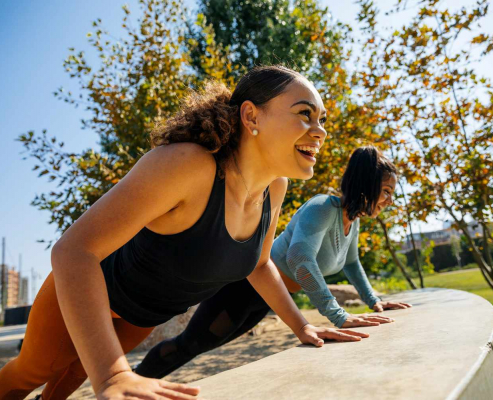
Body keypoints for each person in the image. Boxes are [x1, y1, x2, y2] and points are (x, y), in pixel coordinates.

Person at [0, 66, 368, 400]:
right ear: (252, 116)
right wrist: (113, 374)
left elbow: (259, 265)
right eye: (305, 114)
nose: (319, 130)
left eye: (321, 119)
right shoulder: (188, 164)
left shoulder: (275, 188)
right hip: (89, 295)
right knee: (29, 374)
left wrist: (304, 327)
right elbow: (73, 251)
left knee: (70, 380)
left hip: (142, 317)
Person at [134, 145, 412, 379]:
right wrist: (338, 315)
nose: (389, 200)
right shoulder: (323, 208)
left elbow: (352, 263)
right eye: (386, 190)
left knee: (199, 345)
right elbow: (300, 259)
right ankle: (133, 380)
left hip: (270, 298)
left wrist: (374, 300)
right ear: (367, 183)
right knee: (191, 344)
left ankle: (137, 383)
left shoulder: (352, 222)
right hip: (244, 288)